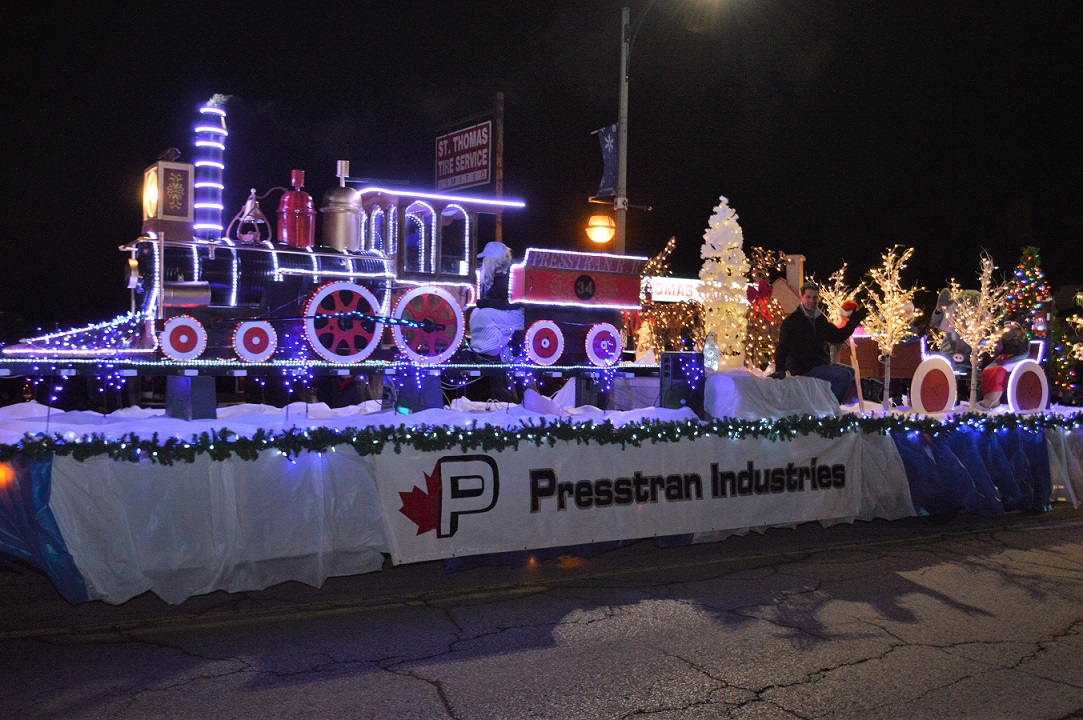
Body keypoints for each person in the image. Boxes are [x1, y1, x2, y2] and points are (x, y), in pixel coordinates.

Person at [772, 282, 868, 403]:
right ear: (801, 297)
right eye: (808, 297)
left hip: (819, 364)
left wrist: (853, 321)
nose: (812, 300)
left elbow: (837, 336)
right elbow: (782, 347)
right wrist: (779, 370)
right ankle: (831, 407)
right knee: (843, 375)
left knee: (850, 371)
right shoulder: (792, 321)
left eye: (815, 297)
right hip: (803, 367)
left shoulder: (820, 319)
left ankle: (827, 403)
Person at [468, 241, 524, 362]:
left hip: (516, 314)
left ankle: (487, 350)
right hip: (508, 313)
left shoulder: (511, 275)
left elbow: (514, 303)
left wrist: (487, 304)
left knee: (484, 315)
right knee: (476, 313)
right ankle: (479, 348)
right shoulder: (498, 275)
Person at [978, 322, 1029, 409]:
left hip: (1016, 359)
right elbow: (997, 350)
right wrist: (994, 345)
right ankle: (993, 402)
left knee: (999, 371)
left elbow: (1024, 354)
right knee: (987, 370)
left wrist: (1009, 360)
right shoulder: (1004, 337)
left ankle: (990, 400)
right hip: (1003, 358)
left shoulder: (1022, 338)